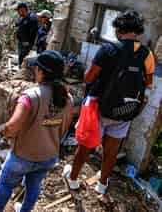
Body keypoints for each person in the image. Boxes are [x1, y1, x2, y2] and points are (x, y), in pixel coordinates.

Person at [63, 10, 155, 196]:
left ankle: (72, 179)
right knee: (112, 150)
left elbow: (88, 78)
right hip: (126, 109)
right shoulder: (147, 54)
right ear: (136, 31)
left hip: (98, 107)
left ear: (119, 29)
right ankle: (102, 184)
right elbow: (148, 83)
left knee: (86, 146)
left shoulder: (108, 49)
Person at [0, 50, 74, 212]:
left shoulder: (30, 97)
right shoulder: (68, 99)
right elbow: (64, 127)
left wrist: (2, 134)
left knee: (6, 183)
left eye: (36, 68)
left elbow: (12, 127)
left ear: (41, 71)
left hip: (23, 156)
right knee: (34, 185)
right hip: (48, 156)